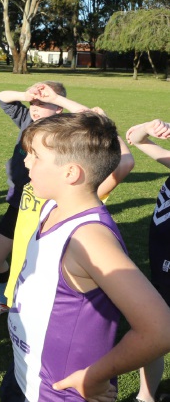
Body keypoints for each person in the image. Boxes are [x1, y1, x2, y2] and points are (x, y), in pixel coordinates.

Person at [3, 112, 170, 402]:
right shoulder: (52, 205)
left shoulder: (89, 238)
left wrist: (94, 376)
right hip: (25, 373)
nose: (26, 162)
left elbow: (159, 329)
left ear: (71, 173)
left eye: (36, 156)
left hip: (59, 392)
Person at [0, 81, 88, 318]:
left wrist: (58, 98)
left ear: (58, 109)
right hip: (19, 203)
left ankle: (39, 311)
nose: (35, 107)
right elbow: (1, 95)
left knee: (40, 265)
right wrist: (26, 94)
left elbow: (91, 118)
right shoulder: (27, 120)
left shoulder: (64, 132)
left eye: (42, 103)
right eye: (33, 103)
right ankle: (5, 299)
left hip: (48, 208)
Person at [126, 119, 170, 402]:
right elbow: (136, 138)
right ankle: (146, 397)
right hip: (161, 261)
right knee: (154, 328)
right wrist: (152, 126)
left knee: (155, 327)